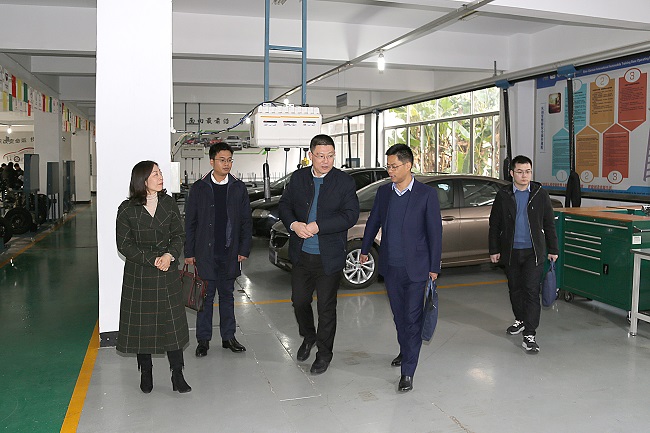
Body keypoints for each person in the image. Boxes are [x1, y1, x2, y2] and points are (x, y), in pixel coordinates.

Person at [359, 143, 442, 393]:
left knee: (413, 319)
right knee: (399, 316)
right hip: (391, 266)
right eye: (388, 166)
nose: (390, 171)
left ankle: (408, 371)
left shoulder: (426, 194)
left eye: (394, 166)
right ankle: (406, 350)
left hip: (417, 269)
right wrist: (364, 249)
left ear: (408, 165)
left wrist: (434, 265)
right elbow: (374, 220)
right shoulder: (385, 193)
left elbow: (434, 232)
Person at [278, 134, 359, 375]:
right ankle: (308, 336)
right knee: (299, 301)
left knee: (326, 307)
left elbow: (350, 215)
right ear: (310, 156)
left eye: (330, 156)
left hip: (328, 257)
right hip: (302, 255)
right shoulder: (299, 178)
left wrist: (318, 226)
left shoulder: (343, 182)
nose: (326, 161)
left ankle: (324, 354)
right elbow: (285, 205)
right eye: (321, 156)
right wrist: (294, 224)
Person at [115, 160, 191, 394]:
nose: (161, 177)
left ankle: (177, 374)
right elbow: (124, 245)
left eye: (160, 173)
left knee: (172, 327)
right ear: (142, 180)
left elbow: (179, 235)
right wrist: (152, 259)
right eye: (155, 174)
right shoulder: (127, 209)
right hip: (140, 275)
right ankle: (145, 372)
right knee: (143, 329)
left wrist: (169, 255)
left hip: (167, 272)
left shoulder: (168, 203)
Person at [184, 142, 252, 357]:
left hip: (230, 252)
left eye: (230, 160)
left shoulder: (238, 188)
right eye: (222, 160)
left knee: (227, 297)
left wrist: (244, 248)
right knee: (205, 298)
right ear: (212, 161)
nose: (227, 164)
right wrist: (189, 252)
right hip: (206, 253)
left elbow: (246, 221)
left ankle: (228, 337)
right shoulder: (199, 188)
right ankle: (203, 340)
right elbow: (190, 222)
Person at [488, 154, 559, 354]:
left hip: (533, 252)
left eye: (528, 171)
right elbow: (495, 224)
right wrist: (494, 249)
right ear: (512, 173)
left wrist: (553, 249)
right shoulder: (503, 195)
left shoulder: (540, 194)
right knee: (515, 289)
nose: (524, 175)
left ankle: (530, 333)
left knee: (531, 290)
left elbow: (549, 223)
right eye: (519, 172)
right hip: (510, 251)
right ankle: (520, 319)